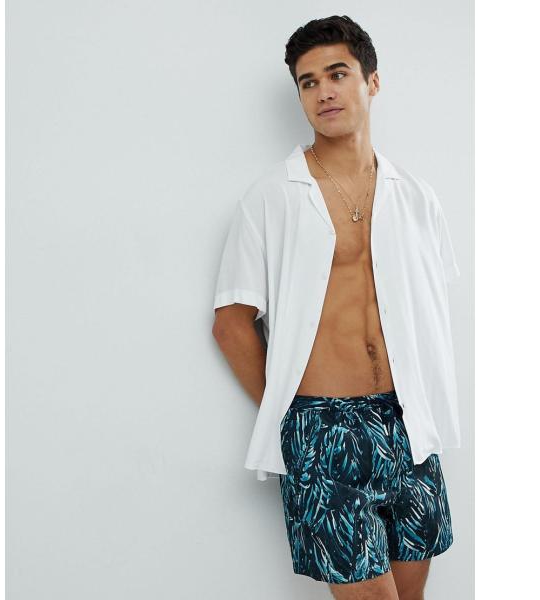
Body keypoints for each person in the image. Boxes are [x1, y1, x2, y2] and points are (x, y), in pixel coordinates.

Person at [212, 15, 461, 600]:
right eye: (308, 82)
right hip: (323, 428)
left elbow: (430, 306)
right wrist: (290, 414)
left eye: (337, 74)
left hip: (408, 422)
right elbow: (231, 324)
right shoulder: (272, 196)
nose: (323, 91)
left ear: (372, 81)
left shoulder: (417, 197)